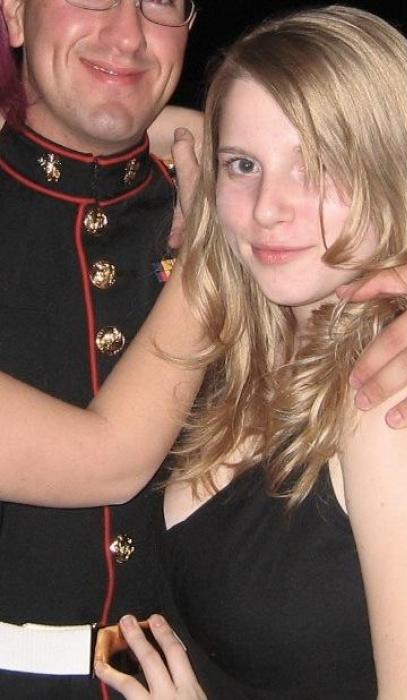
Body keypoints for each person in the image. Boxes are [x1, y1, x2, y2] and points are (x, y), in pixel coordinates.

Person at [83, 5, 407, 698]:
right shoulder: (240, 353)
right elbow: (104, 119)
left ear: (397, 170)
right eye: (243, 165)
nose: (267, 207)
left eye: (318, 166)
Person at [0, 1, 203, 698]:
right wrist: (216, 260)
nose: (127, 34)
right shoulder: (224, 234)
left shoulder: (258, 215)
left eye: (160, 1)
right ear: (14, 15)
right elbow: (111, 459)